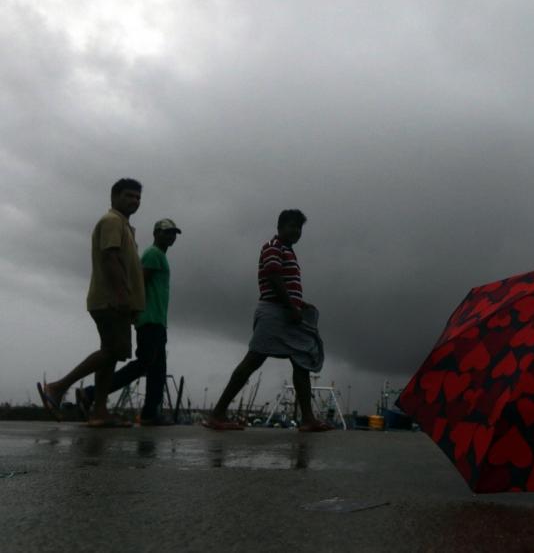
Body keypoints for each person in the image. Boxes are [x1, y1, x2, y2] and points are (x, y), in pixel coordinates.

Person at [203, 209, 332, 432]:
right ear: (280, 227)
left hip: (285, 311)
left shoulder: (287, 251)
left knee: (301, 363)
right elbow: (273, 277)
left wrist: (300, 303)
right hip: (274, 313)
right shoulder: (273, 247)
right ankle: (218, 413)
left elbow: (285, 282)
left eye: (299, 228)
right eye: (292, 226)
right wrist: (291, 306)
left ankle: (308, 419)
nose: (296, 231)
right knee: (253, 360)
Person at [37, 178, 145, 427]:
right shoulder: (111, 222)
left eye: (138, 197)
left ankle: (99, 411)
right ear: (114, 197)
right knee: (112, 351)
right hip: (110, 300)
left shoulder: (125, 226)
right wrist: (121, 295)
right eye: (129, 196)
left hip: (117, 300)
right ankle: (57, 387)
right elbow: (110, 258)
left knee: (111, 354)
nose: (134, 201)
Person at [77, 219, 182, 425]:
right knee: (144, 363)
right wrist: (135, 311)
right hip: (149, 319)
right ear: (156, 233)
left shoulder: (160, 256)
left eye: (173, 234)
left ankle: (151, 412)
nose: (171, 237)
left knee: (157, 369)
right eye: (166, 233)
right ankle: (91, 394)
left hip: (158, 320)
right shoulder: (153, 254)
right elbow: (139, 283)